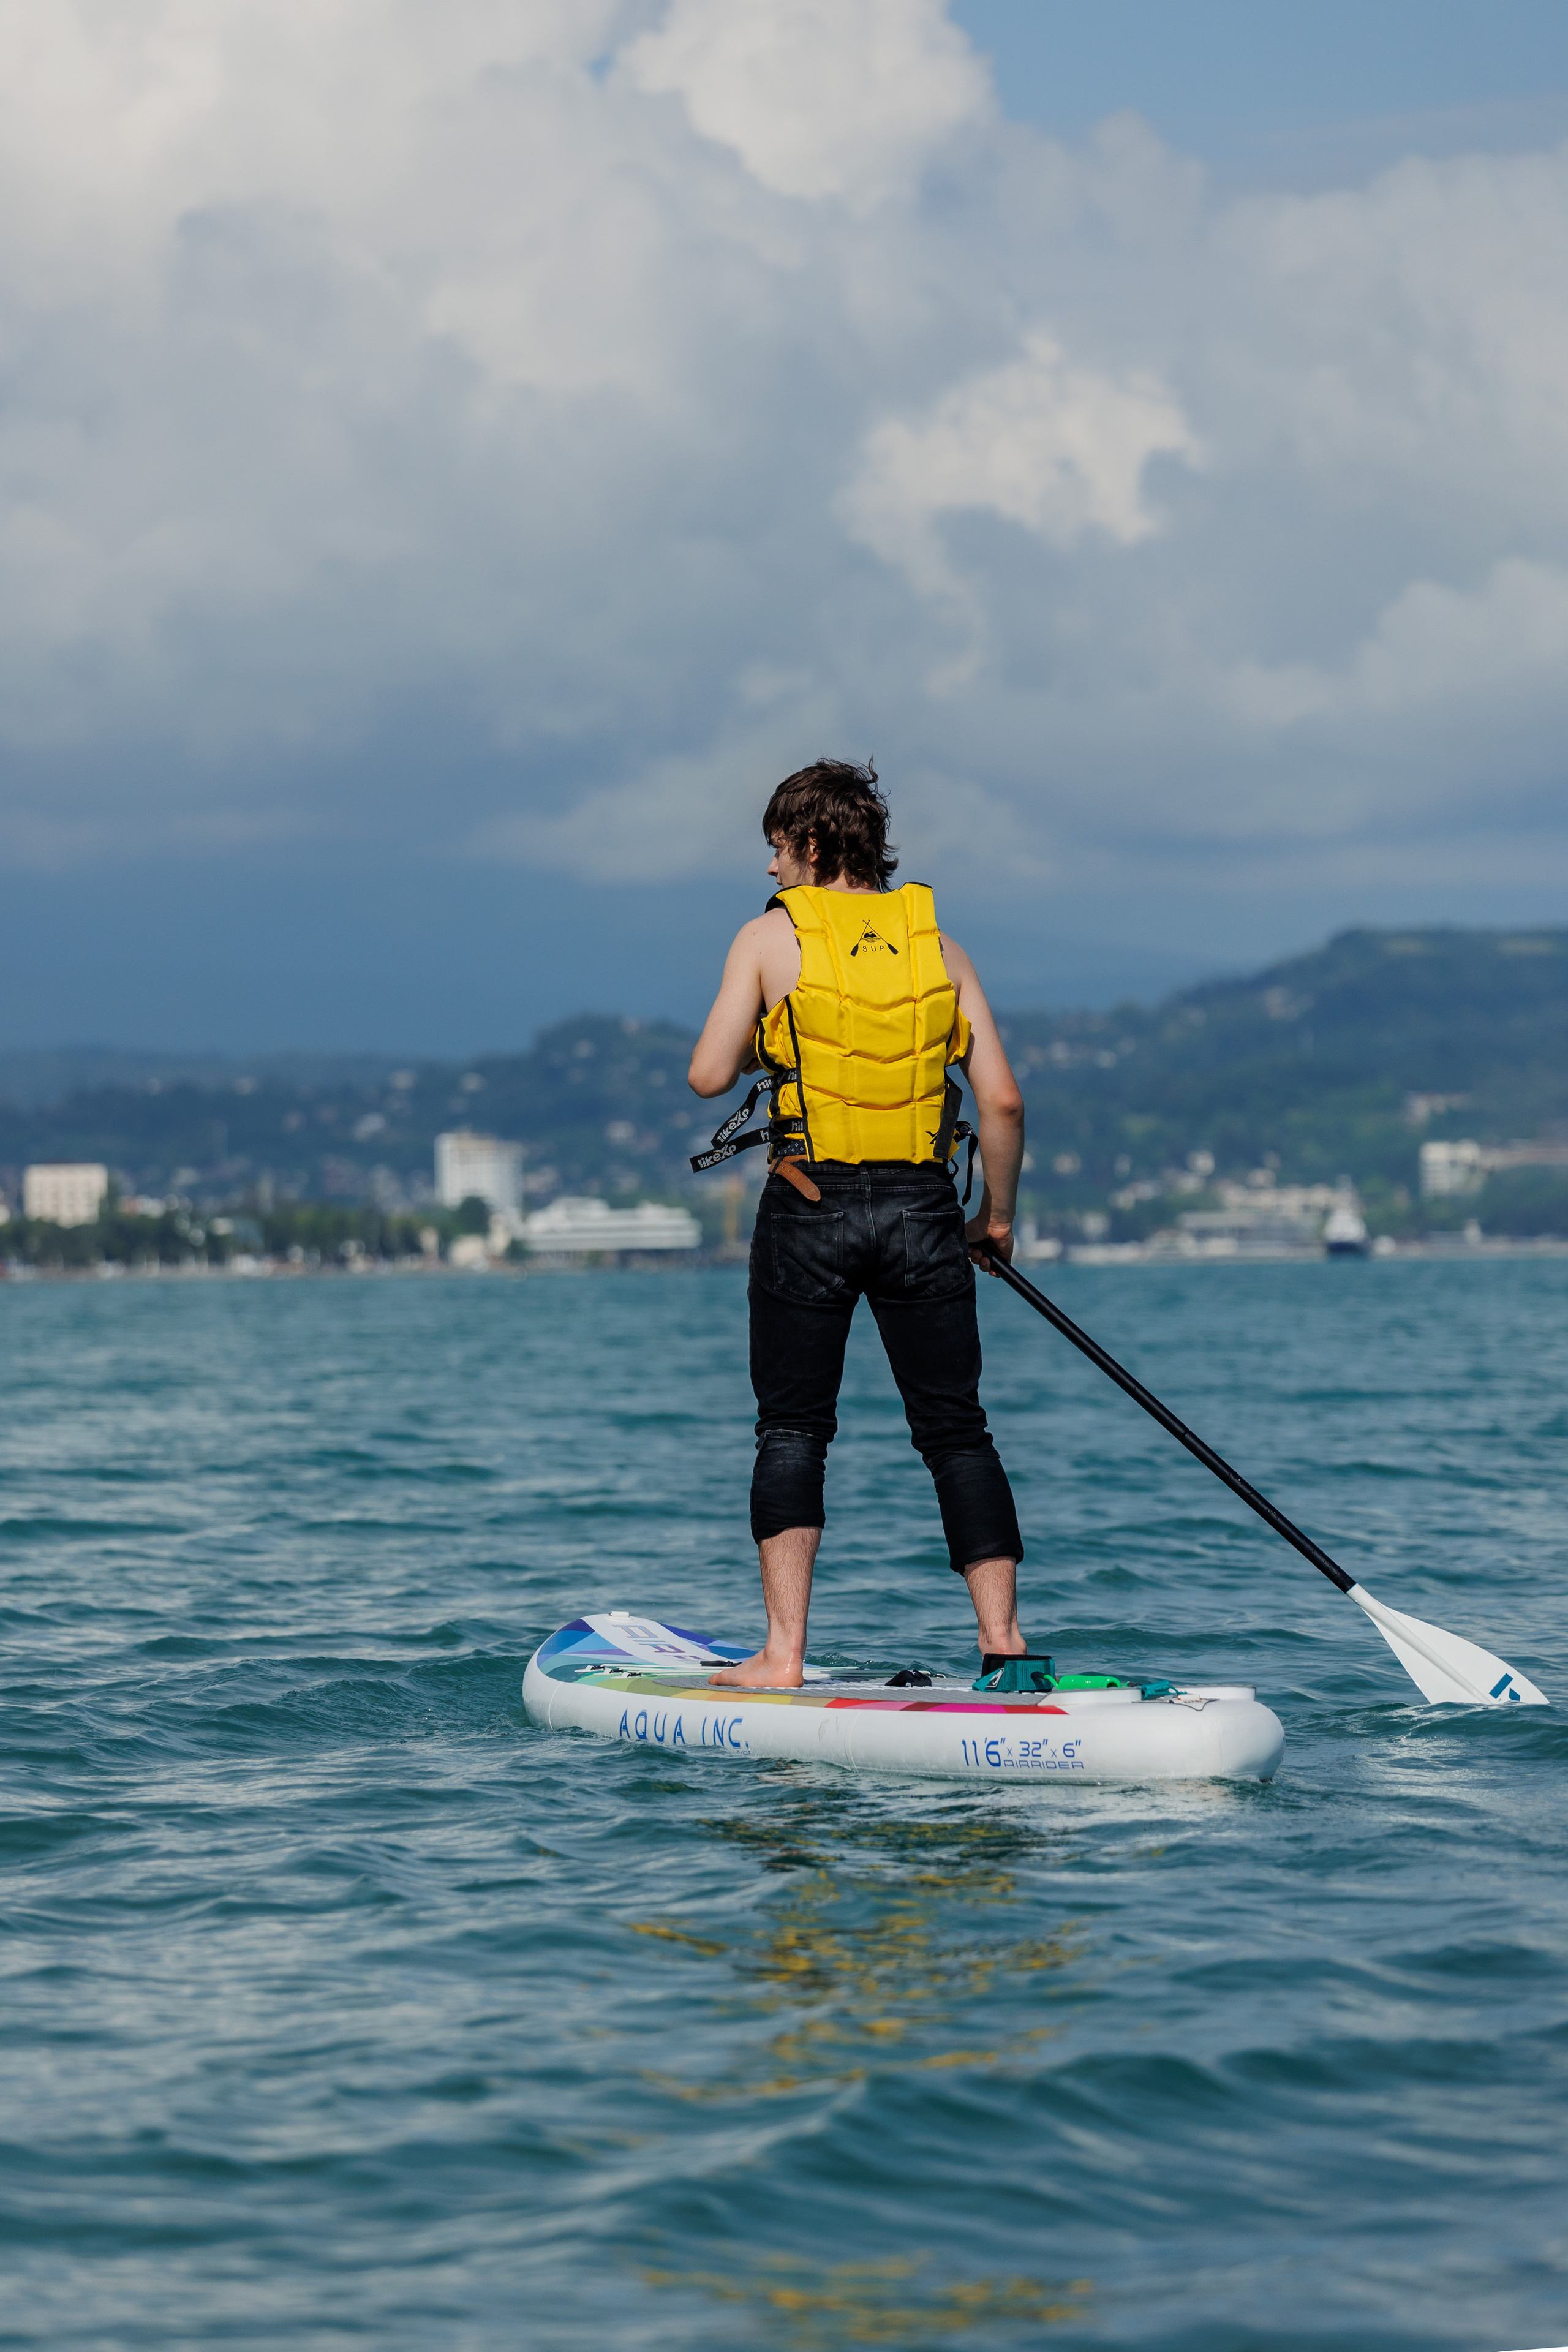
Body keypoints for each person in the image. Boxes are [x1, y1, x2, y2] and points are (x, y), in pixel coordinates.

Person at [687, 759, 1033, 1689]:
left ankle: (783, 1655)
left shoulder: (768, 939)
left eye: (774, 850)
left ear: (809, 844)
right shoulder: (942, 948)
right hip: (926, 1212)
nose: (769, 872)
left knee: (794, 1430)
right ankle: (1004, 1649)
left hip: (810, 1208)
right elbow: (1000, 1102)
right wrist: (992, 1222)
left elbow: (708, 1076)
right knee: (957, 1431)